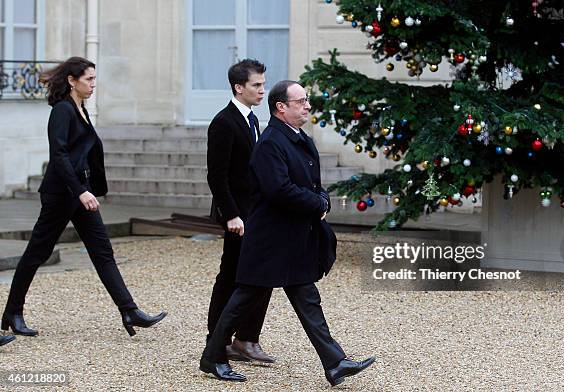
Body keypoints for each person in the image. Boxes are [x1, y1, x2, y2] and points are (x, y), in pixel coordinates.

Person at [199, 80, 375, 386]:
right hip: (271, 241)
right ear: (281, 107)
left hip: (292, 238)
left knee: (308, 301)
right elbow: (279, 189)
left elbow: (311, 182)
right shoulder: (270, 143)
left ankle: (335, 363)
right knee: (242, 299)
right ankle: (212, 358)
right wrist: (316, 204)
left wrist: (322, 200)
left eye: (306, 100)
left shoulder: (295, 137)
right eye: (301, 101)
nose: (307, 105)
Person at [1, 57, 166, 338]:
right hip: (61, 194)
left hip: (80, 191)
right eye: (88, 79)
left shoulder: (81, 109)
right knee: (37, 253)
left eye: (94, 79)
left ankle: (129, 310)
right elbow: (60, 155)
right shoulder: (62, 111)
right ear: (71, 80)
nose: (93, 84)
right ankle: (13, 312)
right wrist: (80, 191)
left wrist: (87, 187)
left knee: (103, 252)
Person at [205, 59, 275, 363]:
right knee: (231, 277)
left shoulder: (253, 120)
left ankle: (246, 339)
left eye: (262, 84)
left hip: (256, 214)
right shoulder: (223, 122)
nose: (262, 90)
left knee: (262, 275)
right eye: (256, 85)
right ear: (239, 87)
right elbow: (216, 175)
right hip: (238, 217)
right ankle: (216, 341)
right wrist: (231, 214)